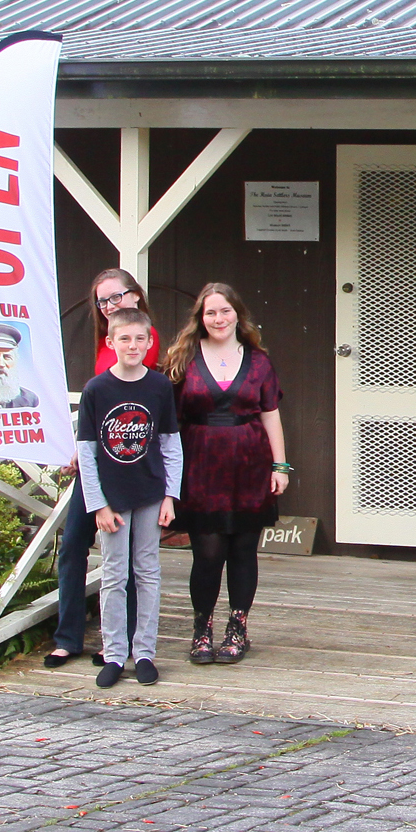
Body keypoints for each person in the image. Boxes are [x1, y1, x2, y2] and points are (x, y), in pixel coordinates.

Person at [166, 282, 290, 664]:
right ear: (200, 319)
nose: (218, 319)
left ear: (238, 313)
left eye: (225, 311)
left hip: (249, 463)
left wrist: (280, 465)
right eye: (210, 312)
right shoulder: (183, 357)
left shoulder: (258, 361)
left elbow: (270, 414)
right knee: (206, 551)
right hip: (201, 465)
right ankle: (201, 628)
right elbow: (169, 420)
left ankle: (238, 628)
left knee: (242, 550)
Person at [45, 268, 159, 668]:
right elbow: (97, 404)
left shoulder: (142, 340)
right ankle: (68, 635)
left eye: (118, 296)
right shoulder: (104, 344)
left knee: (126, 557)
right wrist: (82, 443)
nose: (112, 305)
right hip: (97, 462)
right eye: (104, 301)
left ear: (136, 296)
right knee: (75, 540)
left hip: (130, 466)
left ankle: (121, 643)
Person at [76, 308, 180, 688]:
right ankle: (115, 653)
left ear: (150, 342)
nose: (132, 345)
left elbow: (171, 445)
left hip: (150, 491)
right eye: (124, 338)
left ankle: (145, 652)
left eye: (139, 338)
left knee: (147, 571)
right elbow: (87, 452)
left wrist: (171, 495)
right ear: (111, 342)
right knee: (114, 574)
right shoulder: (97, 390)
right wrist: (98, 504)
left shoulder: (159, 387)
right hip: (112, 498)